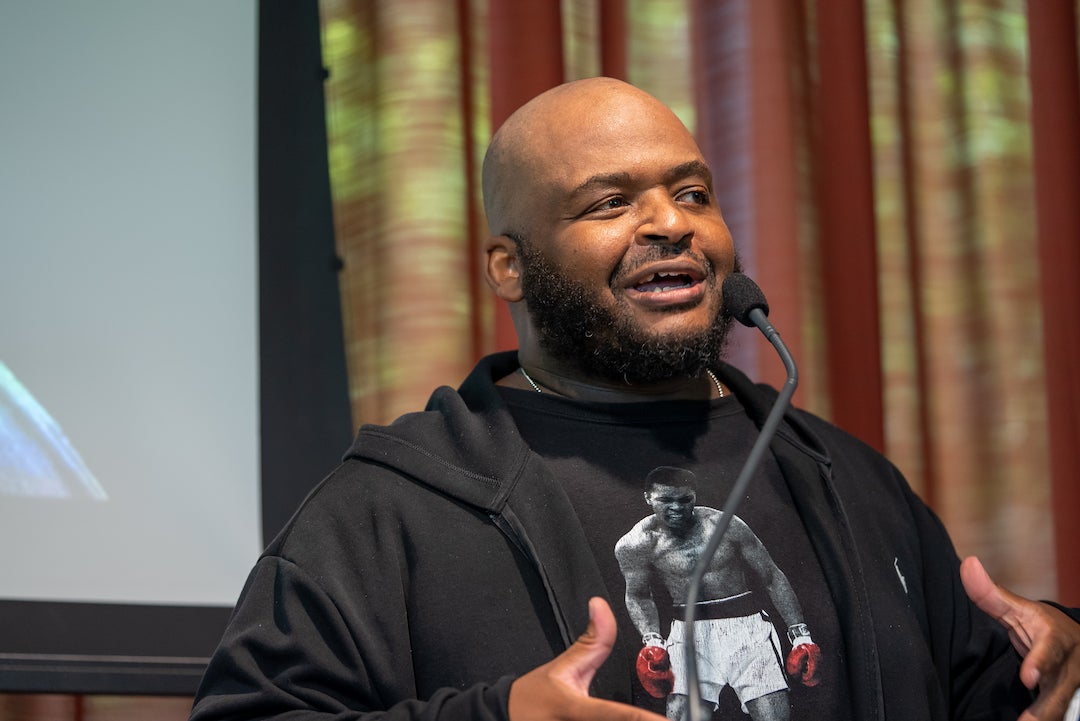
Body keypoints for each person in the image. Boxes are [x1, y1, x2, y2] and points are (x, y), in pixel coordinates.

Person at [189, 77, 1080, 721]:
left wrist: (1054, 659)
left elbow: (987, 692)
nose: (670, 222)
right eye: (609, 201)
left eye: (692, 191)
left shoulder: (846, 480)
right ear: (510, 266)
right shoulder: (391, 506)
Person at [615, 466, 818, 721]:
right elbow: (638, 594)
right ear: (648, 497)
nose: (676, 508)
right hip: (688, 635)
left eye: (684, 499)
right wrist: (653, 640)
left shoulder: (726, 525)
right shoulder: (635, 544)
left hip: (748, 633)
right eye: (666, 500)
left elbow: (771, 576)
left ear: (695, 496)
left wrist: (801, 635)